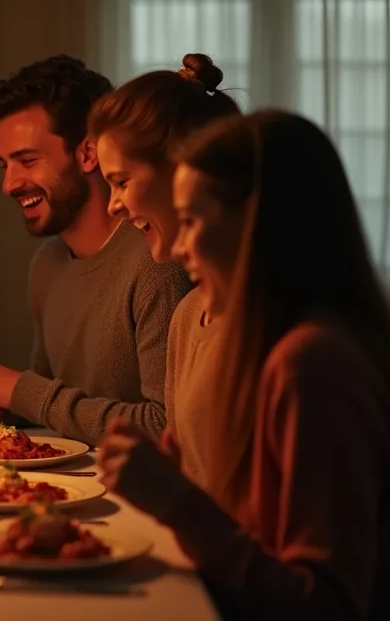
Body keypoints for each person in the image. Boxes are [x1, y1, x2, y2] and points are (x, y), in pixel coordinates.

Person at [97, 110, 390, 619]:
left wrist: (179, 503)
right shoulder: (281, 344)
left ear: (258, 224)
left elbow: (324, 606)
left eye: (191, 221)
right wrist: (179, 486)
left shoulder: (313, 366)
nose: (178, 247)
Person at [0, 55, 192, 443]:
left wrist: (24, 392)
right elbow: (55, 407)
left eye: (27, 161)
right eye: (4, 166)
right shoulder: (46, 266)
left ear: (87, 154)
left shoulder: (156, 260)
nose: (9, 184)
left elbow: (166, 425)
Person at [86, 52, 241, 482]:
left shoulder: (281, 338)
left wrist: (170, 500)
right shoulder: (189, 316)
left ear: (184, 172)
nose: (113, 206)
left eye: (121, 182)